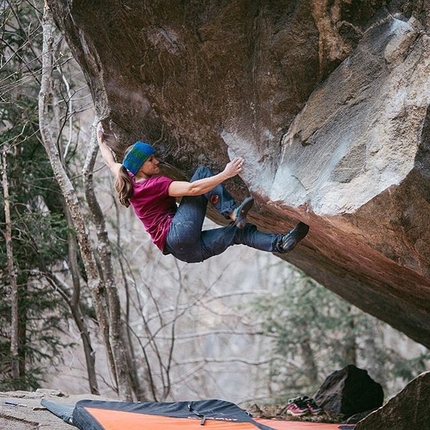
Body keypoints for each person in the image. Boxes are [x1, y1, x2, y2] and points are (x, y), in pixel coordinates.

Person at [97, 123, 309, 263]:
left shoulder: (128, 176)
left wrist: (100, 142)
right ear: (140, 165)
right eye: (151, 159)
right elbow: (193, 189)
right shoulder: (153, 185)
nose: (157, 161)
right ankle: (233, 212)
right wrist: (226, 174)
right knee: (201, 174)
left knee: (238, 233)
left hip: (187, 253)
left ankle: (280, 244)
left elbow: (110, 162)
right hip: (177, 232)